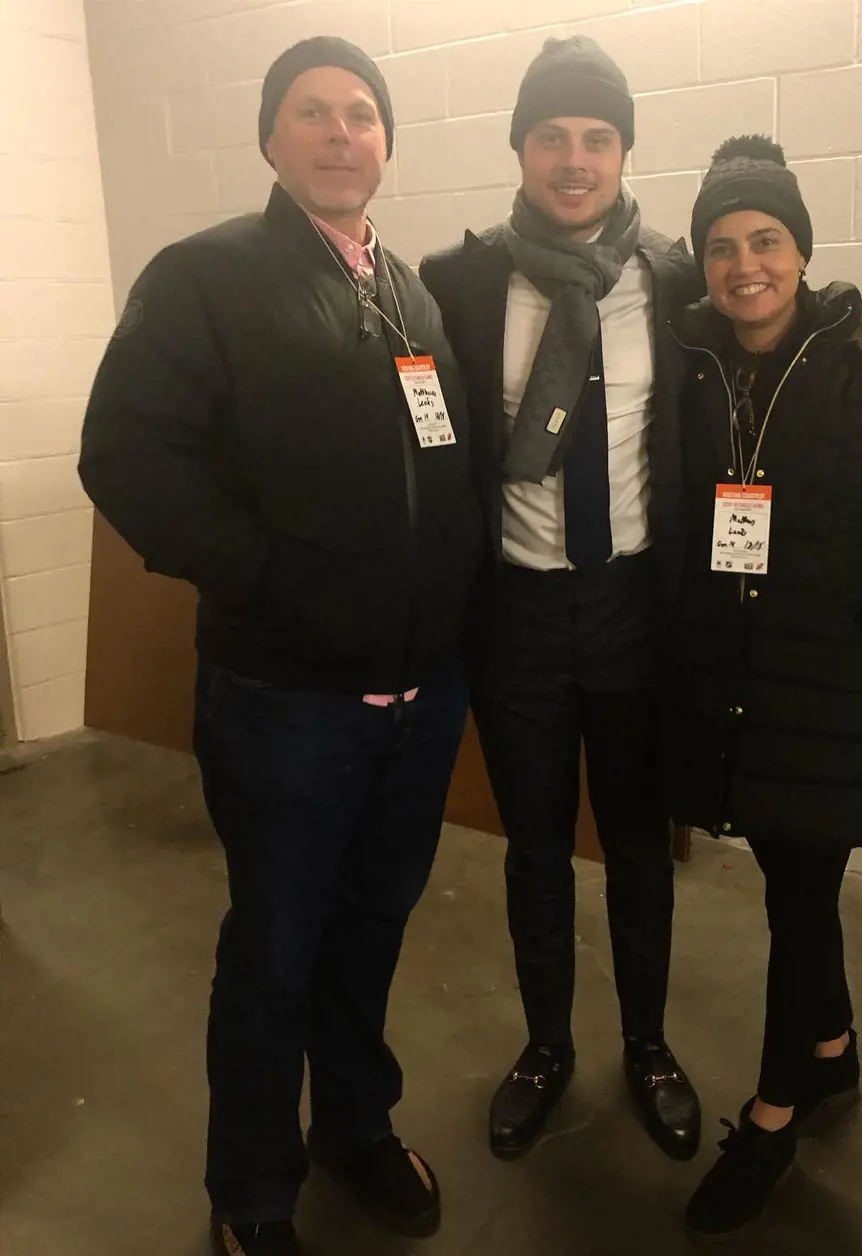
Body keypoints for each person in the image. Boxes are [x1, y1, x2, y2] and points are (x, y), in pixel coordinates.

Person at [80, 37, 481, 1256]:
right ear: (271, 138)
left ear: (387, 144)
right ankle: (252, 1187)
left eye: (363, 115)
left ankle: (355, 1125)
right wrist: (265, 575)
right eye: (313, 113)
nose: (342, 133)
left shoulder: (407, 291)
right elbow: (126, 453)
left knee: (369, 931)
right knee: (275, 947)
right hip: (287, 700)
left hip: (418, 699)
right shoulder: (207, 276)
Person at [665, 135, 862, 1239]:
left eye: (766, 240)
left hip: (829, 685)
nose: (745, 265)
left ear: (800, 248)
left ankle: (776, 1110)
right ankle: (833, 1053)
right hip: (739, 687)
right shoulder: (696, 360)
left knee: (798, 898)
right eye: (721, 246)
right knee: (795, 885)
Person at [420, 36, 702, 1163]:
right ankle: (546, 1044)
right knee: (534, 847)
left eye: (596, 137)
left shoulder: (678, 281)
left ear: (624, 149)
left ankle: (648, 1042)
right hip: (518, 620)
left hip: (638, 608)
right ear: (521, 149)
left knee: (637, 845)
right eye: (553, 137)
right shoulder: (460, 281)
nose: (574, 160)